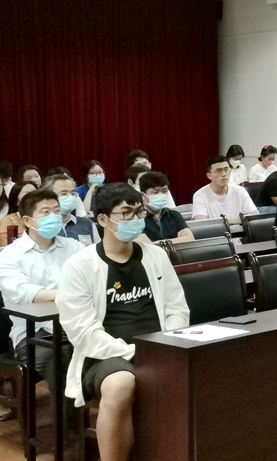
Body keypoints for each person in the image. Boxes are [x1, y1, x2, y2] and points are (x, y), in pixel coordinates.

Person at [56, 183, 190, 461]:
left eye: (139, 212)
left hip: (161, 348)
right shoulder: (79, 265)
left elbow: (177, 308)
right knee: (121, 383)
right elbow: (83, 333)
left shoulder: (156, 255)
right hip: (104, 355)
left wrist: (167, 346)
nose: (135, 219)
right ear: (103, 219)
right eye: (126, 213)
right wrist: (134, 352)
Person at [0, 188, 85, 452]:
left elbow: (93, 279)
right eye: (45, 212)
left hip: (77, 326)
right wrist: (68, 294)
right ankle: (72, 443)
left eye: (56, 211)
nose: (54, 217)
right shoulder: (10, 256)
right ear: (27, 220)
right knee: (62, 359)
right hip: (34, 335)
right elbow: (25, 293)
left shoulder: (74, 247)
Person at [192, 155, 258, 224]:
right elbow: (201, 224)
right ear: (209, 176)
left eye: (226, 170)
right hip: (217, 231)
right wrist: (235, 220)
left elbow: (256, 217)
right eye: (218, 171)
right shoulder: (200, 195)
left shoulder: (240, 191)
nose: (224, 174)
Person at [41, 174, 101, 245]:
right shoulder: (43, 227)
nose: (70, 197)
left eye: (72, 193)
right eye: (64, 193)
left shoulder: (87, 224)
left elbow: (97, 250)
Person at [137, 172, 194, 243]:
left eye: (164, 191)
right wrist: (178, 240)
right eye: (155, 192)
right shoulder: (137, 218)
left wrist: (157, 243)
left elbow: (190, 238)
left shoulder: (174, 215)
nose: (161, 195)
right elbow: (146, 244)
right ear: (143, 196)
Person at [0, 182, 37, 246]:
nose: (33, 197)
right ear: (17, 201)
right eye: (27, 193)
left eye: (35, 193)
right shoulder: (8, 222)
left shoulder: (45, 217)